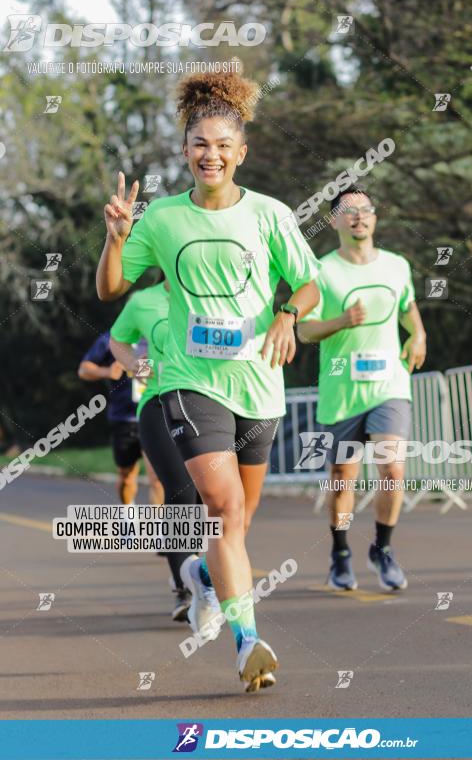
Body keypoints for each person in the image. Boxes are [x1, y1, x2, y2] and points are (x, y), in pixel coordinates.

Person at [96, 71, 321, 691]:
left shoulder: (270, 215)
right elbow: (110, 288)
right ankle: (248, 641)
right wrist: (115, 240)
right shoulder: (162, 219)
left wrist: (287, 314)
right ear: (185, 150)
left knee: (239, 522)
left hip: (259, 385)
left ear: (240, 152)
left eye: (223, 143)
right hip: (189, 382)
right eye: (199, 142)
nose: (210, 153)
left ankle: (197, 574)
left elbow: (308, 282)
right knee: (222, 509)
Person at [297, 186, 427, 592]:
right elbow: (303, 329)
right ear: (334, 220)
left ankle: (382, 549)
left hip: (390, 385)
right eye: (348, 211)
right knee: (342, 478)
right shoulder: (320, 272)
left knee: (392, 469)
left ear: (375, 218)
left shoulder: (397, 266)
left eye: (366, 210)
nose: (359, 217)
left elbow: (407, 308)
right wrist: (342, 322)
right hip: (342, 392)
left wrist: (418, 335)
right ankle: (340, 553)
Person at [109, 279, 202, 622]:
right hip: (159, 403)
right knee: (180, 490)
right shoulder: (143, 301)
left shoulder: (214, 293)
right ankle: (183, 587)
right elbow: (117, 341)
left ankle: (195, 575)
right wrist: (141, 368)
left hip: (209, 404)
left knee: (207, 499)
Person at [78, 331, 164, 507]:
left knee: (157, 476)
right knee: (127, 475)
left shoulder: (159, 332)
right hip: (123, 418)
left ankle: (159, 533)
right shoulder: (113, 338)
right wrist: (107, 371)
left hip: (154, 414)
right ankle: (128, 515)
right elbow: (84, 369)